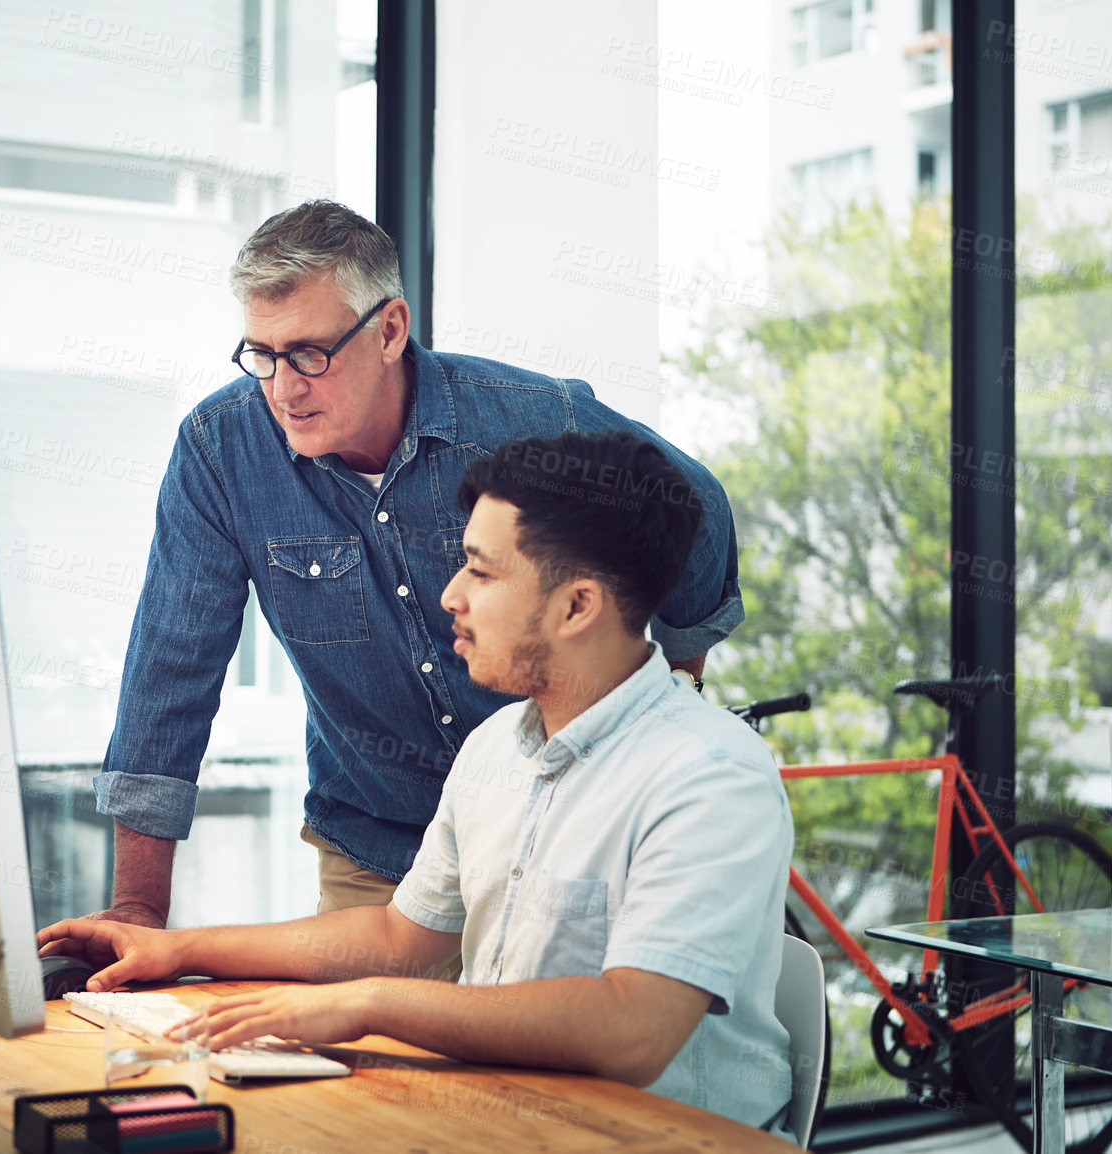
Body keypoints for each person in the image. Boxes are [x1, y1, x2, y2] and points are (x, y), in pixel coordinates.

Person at [40, 430, 795, 1130]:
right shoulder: (497, 746)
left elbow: (633, 1029)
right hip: (502, 1118)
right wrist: (176, 948)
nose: (450, 597)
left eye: (481, 569)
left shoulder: (712, 774)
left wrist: (367, 1006)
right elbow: (400, 938)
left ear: (576, 606)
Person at [91, 200, 744, 928]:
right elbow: (170, 672)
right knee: (359, 1041)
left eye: (309, 353)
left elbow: (695, 503)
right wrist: (137, 910)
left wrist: (676, 686)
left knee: (536, 1038)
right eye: (262, 357)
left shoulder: (527, 421)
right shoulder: (221, 452)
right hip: (376, 852)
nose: (283, 388)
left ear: (389, 329)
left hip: (560, 834)